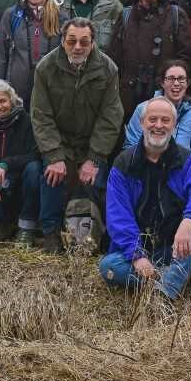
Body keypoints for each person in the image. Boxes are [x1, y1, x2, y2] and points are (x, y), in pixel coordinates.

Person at [100, 97, 191, 299]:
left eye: (165, 120)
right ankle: (183, 276)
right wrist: (137, 256)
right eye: (152, 119)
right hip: (143, 250)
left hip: (179, 247)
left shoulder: (186, 160)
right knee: (109, 267)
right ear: (142, 123)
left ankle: (166, 292)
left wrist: (188, 221)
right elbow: (118, 217)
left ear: (174, 126)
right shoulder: (123, 165)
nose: (158, 125)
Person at [31, 18, 123, 253]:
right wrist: (54, 155)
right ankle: (50, 233)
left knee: (98, 184)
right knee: (51, 177)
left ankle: (98, 236)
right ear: (63, 41)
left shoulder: (108, 68)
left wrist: (94, 158)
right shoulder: (46, 67)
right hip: (59, 143)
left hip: (92, 145)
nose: (77, 47)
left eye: (84, 42)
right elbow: (41, 115)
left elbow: (110, 117)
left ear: (93, 43)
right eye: (71, 41)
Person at [108, 0, 191, 121]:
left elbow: (185, 57)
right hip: (128, 98)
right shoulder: (126, 16)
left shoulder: (175, 15)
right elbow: (114, 59)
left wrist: (172, 85)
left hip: (165, 96)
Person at [0, 78, 43, 244]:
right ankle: (4, 227)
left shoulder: (26, 120)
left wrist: (6, 163)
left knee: (35, 168)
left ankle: (27, 227)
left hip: (21, 184)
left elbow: (35, 154)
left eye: (3, 101)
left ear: (11, 101)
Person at [0, 0, 69, 107]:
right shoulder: (12, 15)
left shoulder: (61, 17)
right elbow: (0, 55)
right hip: (16, 92)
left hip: (52, 91)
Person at [123, 61, 191, 164]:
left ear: (187, 83)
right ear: (162, 83)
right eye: (170, 78)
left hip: (183, 175)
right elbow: (131, 146)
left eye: (181, 79)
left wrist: (188, 175)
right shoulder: (143, 109)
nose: (176, 83)